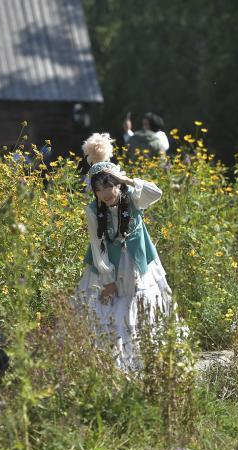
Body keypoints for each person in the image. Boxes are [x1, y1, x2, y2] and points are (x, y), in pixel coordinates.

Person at [75, 133, 172, 370]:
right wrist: (108, 280)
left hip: (139, 264)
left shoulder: (133, 197)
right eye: (98, 189)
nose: (105, 193)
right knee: (108, 311)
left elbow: (156, 193)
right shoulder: (92, 210)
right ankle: (113, 365)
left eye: (109, 185)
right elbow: (98, 246)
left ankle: (147, 362)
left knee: (142, 307)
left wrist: (126, 180)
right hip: (107, 266)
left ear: (117, 183)